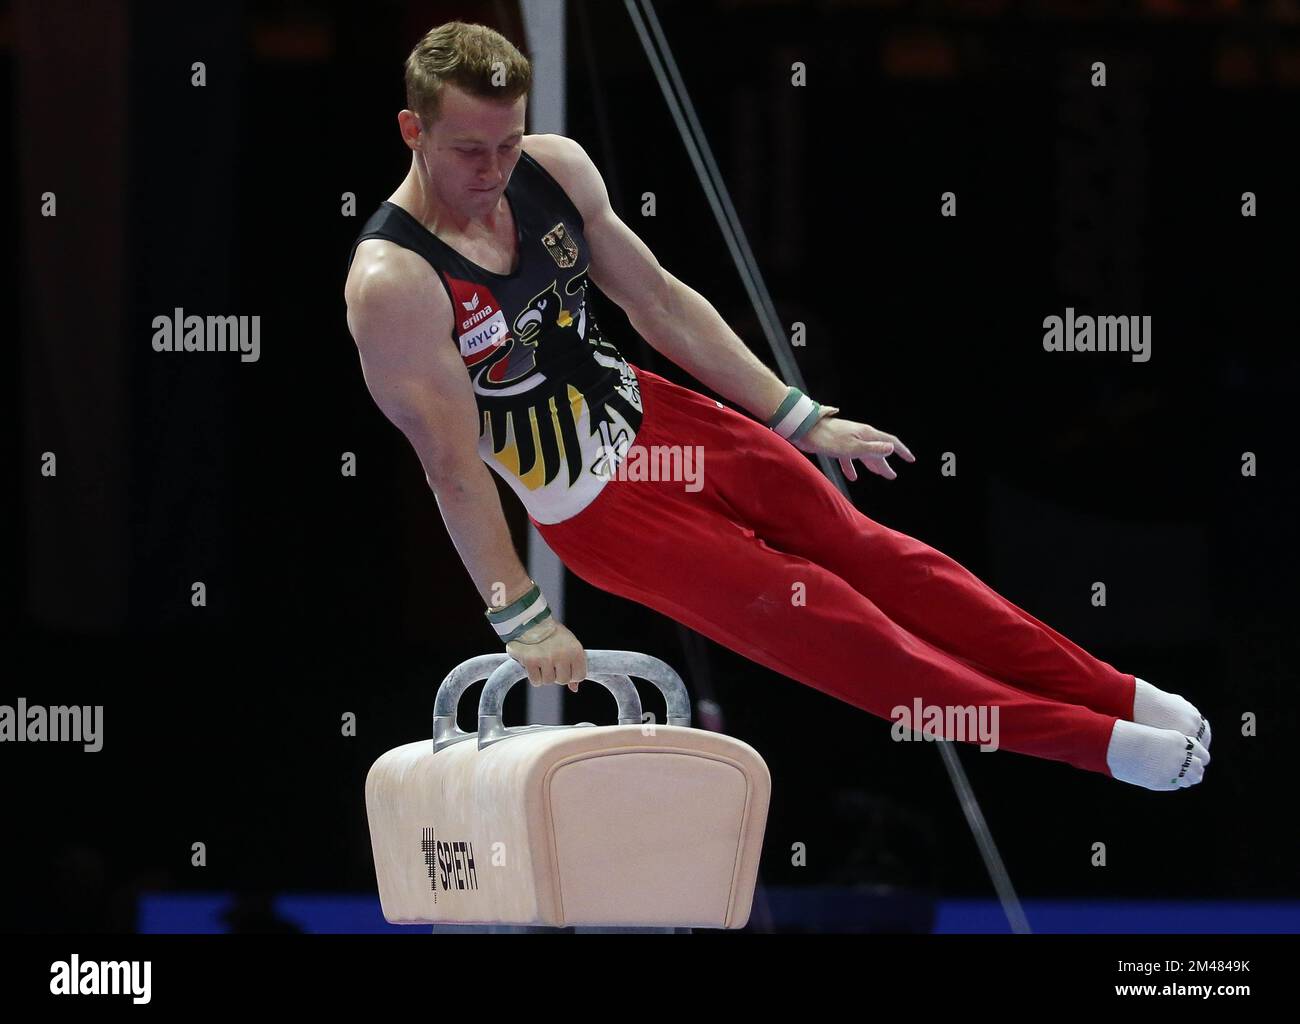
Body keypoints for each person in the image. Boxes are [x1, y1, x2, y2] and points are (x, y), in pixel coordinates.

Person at [344, 22, 1210, 791]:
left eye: (508, 142)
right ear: (412, 130)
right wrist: (521, 614)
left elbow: (659, 302)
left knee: (890, 559)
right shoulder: (394, 281)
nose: (495, 170)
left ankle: (1118, 692)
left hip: (674, 420)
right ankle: (1095, 744)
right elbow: (451, 468)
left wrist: (796, 414)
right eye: (469, 151)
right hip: (600, 511)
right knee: (854, 640)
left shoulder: (554, 170)